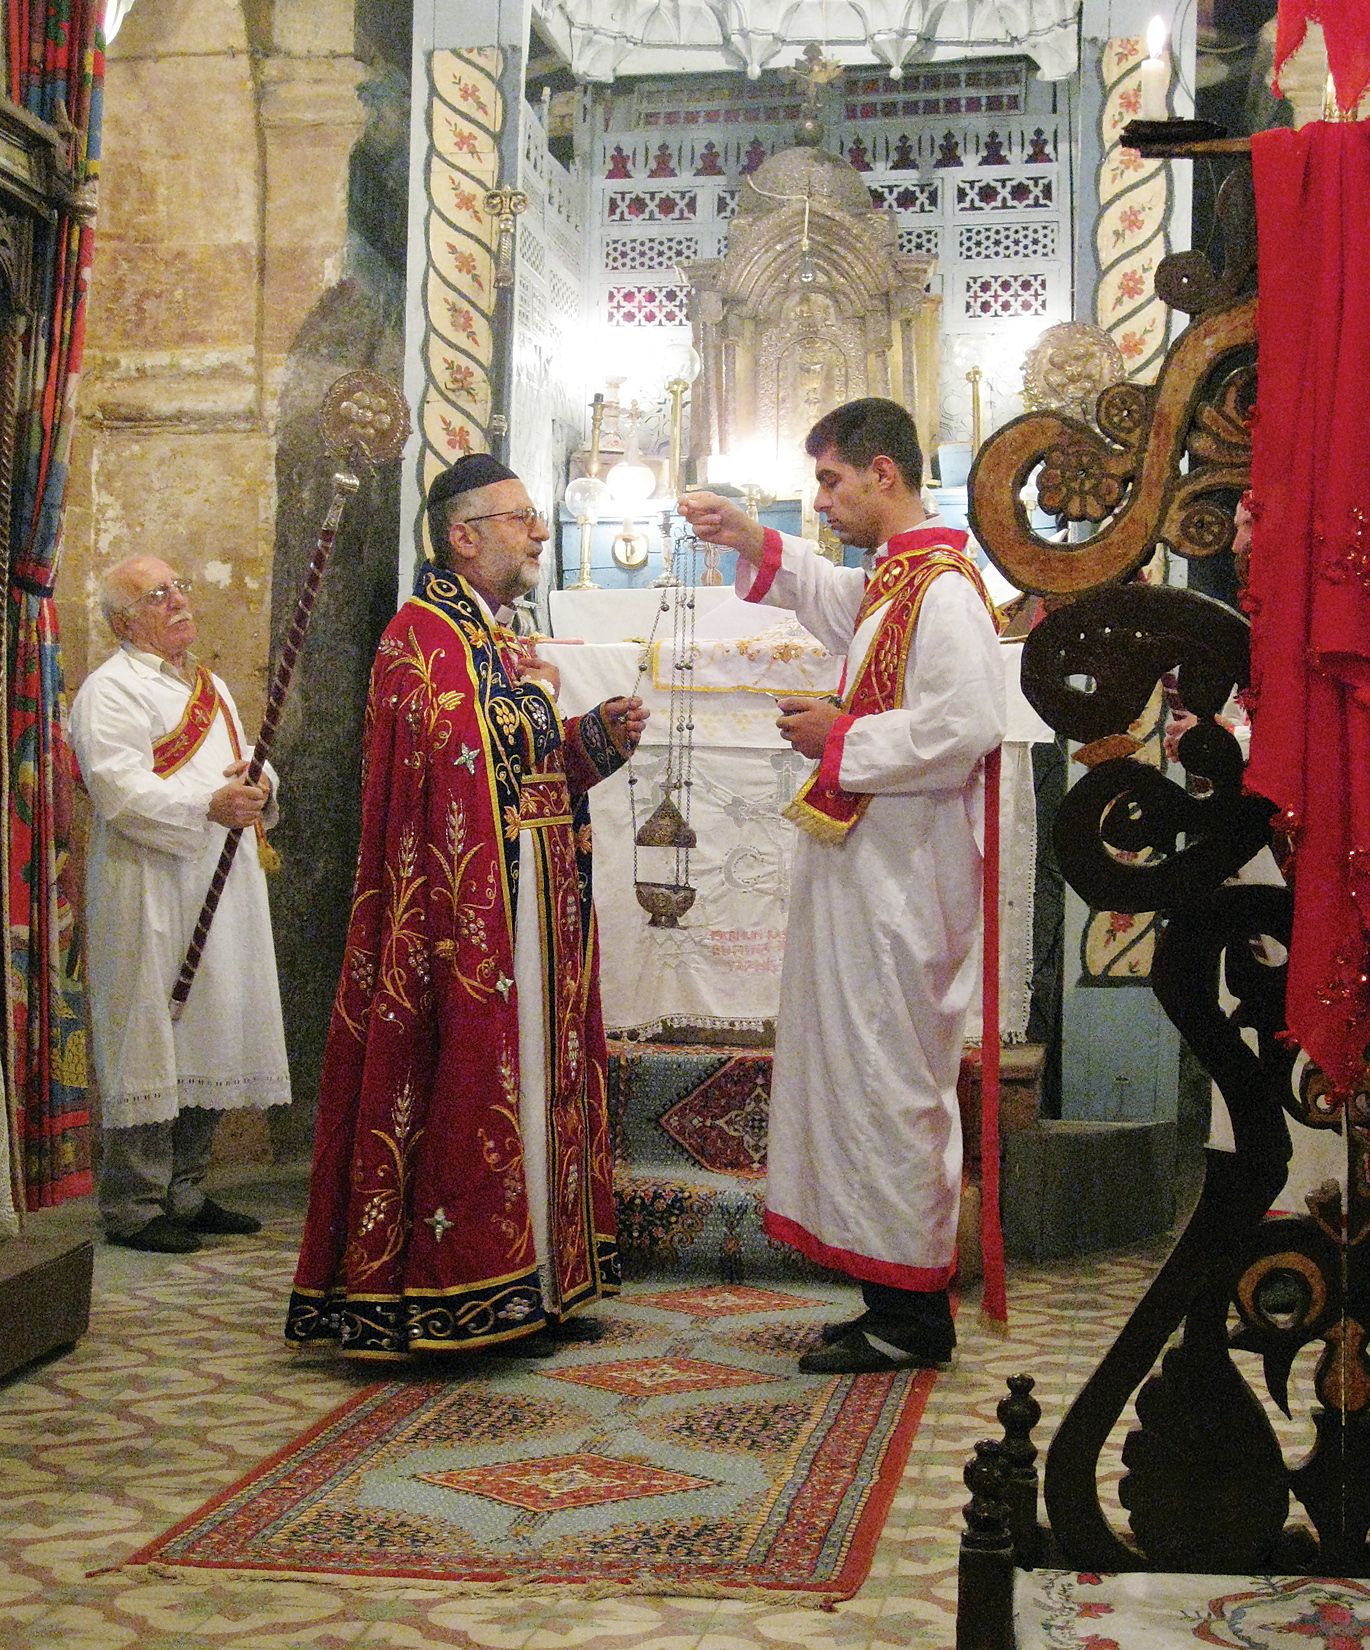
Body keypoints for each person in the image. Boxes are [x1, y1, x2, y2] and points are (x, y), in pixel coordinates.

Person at [287, 454, 647, 1361]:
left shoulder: (488, 636)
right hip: (464, 918)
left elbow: (517, 768)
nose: (537, 533)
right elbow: (446, 769)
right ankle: (473, 1289)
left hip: (526, 907)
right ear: (464, 535)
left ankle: (537, 1280)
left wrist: (588, 739)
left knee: (530, 1078)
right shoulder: (421, 637)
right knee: (479, 1084)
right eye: (521, 518)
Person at [678, 398, 1006, 1374]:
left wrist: (841, 739)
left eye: (828, 481)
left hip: (903, 884)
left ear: (881, 475)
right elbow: (833, 600)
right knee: (858, 1077)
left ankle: (912, 1316)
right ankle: (883, 1297)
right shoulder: (895, 580)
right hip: (870, 874)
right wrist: (750, 538)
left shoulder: (940, 589)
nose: (819, 501)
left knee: (889, 1079)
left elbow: (964, 724)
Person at [70, 556, 290, 1254]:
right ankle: (134, 1205)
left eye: (178, 586)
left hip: (219, 878)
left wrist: (258, 784)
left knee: (209, 1026)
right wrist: (207, 804)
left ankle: (186, 1191)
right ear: (123, 621)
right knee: (147, 1032)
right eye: (156, 594)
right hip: (150, 883)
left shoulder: (210, 684)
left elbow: (245, 755)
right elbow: (119, 791)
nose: (176, 600)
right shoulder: (110, 692)